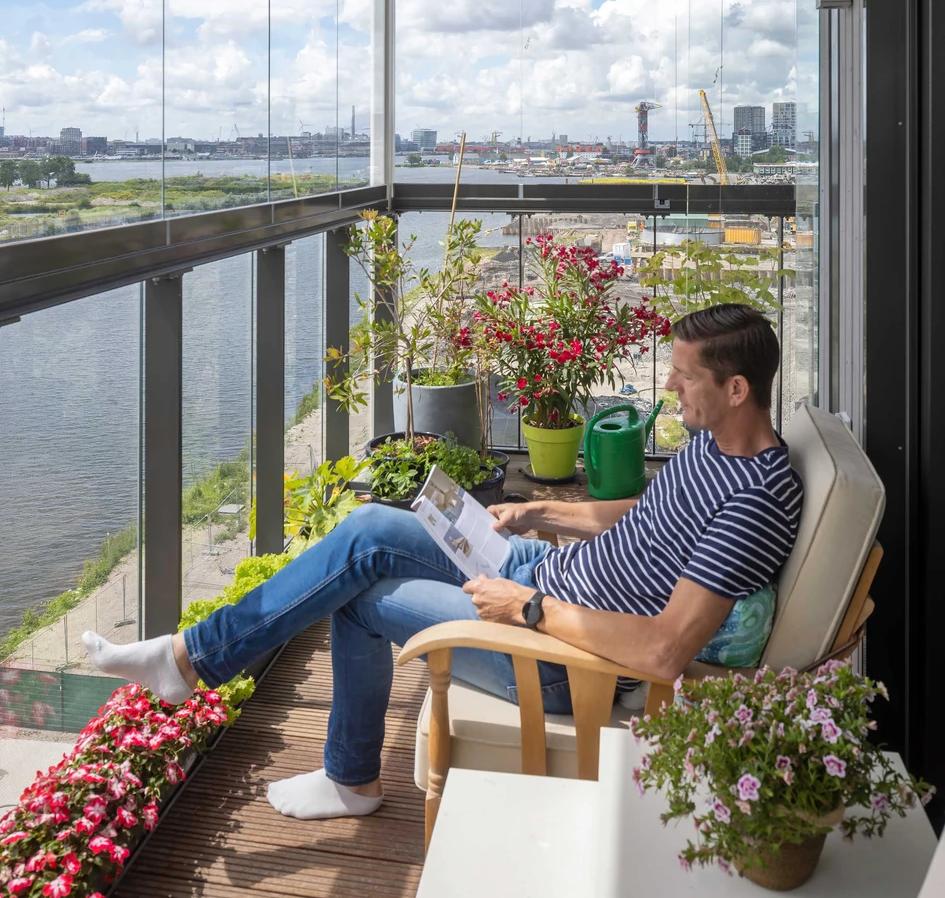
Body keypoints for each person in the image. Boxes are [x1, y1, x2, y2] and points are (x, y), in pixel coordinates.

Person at [83, 303, 802, 823]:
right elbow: (643, 521)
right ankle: (188, 657)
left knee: (361, 596)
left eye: (683, 378)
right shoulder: (714, 446)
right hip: (539, 570)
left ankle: (347, 776)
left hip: (556, 654)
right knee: (366, 525)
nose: (670, 390)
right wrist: (539, 514)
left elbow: (664, 649)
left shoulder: (752, 498)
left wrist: (527, 609)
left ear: (735, 388)